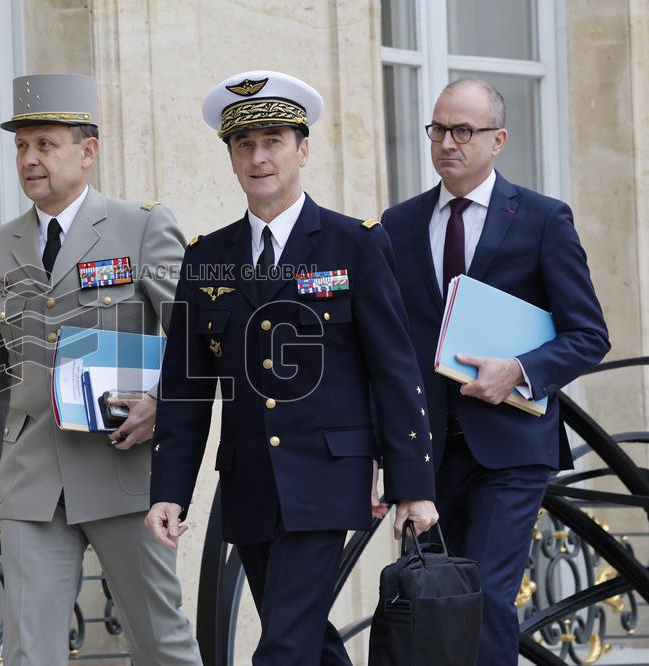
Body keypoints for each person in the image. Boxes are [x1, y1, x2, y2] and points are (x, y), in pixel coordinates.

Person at [145, 70, 438, 665]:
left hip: (328, 478)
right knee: (305, 637)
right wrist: (170, 490)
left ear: (303, 149)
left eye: (274, 139)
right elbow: (186, 386)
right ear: (230, 158)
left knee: (280, 648)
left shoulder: (354, 244)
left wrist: (413, 482)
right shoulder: (207, 257)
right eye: (244, 144)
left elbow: (394, 368)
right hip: (250, 482)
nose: (259, 157)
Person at [0, 73, 201, 666]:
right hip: (30, 480)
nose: (30, 159)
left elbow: (197, 340)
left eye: (45, 144)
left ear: (87, 151)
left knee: (160, 642)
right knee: (27, 651)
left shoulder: (141, 226)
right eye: (22, 146)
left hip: (122, 472)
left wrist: (163, 406)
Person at [380, 78, 610, 665]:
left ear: (498, 139)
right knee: (431, 607)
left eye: (463, 130)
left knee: (481, 602)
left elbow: (589, 335)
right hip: (427, 453)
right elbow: (387, 346)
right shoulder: (397, 224)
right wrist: (384, 454)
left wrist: (520, 370)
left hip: (510, 450)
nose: (447, 143)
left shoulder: (541, 219)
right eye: (438, 129)